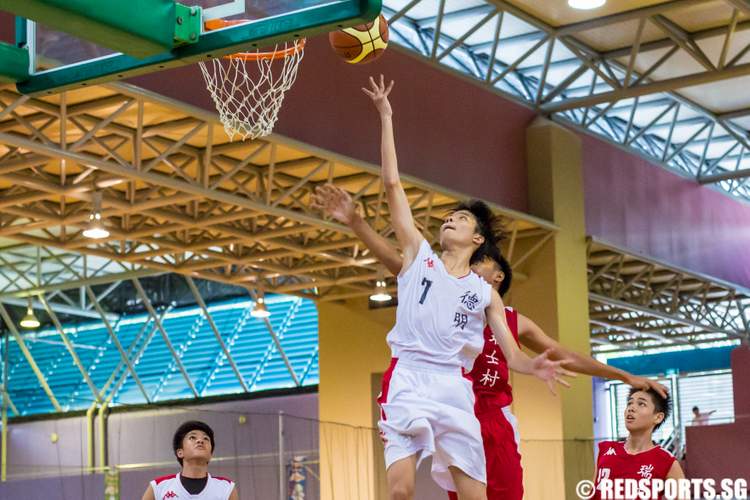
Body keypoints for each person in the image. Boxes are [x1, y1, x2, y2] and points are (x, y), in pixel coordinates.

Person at [311, 183, 669, 500]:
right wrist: (358, 223)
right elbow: (399, 260)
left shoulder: (507, 317)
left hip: (491, 418)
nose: (473, 265)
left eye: (481, 261)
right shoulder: (440, 287)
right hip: (450, 404)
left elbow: (563, 355)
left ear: (496, 274)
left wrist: (624, 376)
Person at [359, 75, 571, 500]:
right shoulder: (420, 257)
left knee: (476, 496)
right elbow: (392, 185)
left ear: (477, 240)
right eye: (449, 216)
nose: (450, 219)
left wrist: (536, 367)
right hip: (409, 377)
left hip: (454, 387)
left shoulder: (483, 291)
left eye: (461, 218)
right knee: (400, 491)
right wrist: (386, 117)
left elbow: (512, 354)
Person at [593, 388, 685, 500]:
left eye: (641, 404)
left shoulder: (667, 462)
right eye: (629, 403)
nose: (631, 408)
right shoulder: (606, 449)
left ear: (658, 417)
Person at [141, 421, 238, 500]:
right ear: (180, 452)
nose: (200, 441)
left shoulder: (226, 488)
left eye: (206, 438)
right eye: (192, 437)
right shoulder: (158, 487)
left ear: (210, 455)